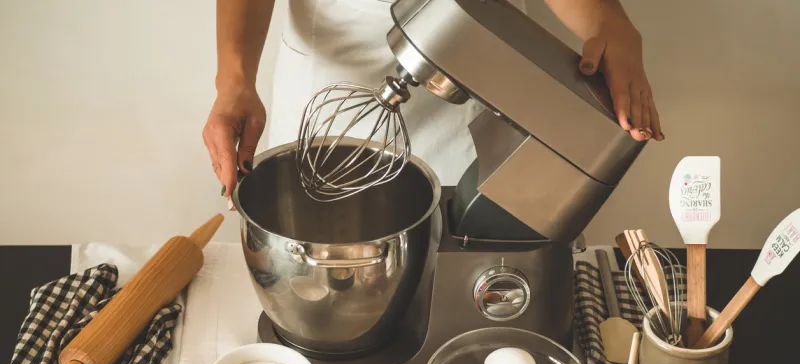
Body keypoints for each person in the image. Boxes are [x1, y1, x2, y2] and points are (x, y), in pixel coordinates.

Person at [204, 0, 663, 208]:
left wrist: (609, 23)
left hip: (475, 58)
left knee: (459, 236)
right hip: (333, 70)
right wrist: (235, 80)